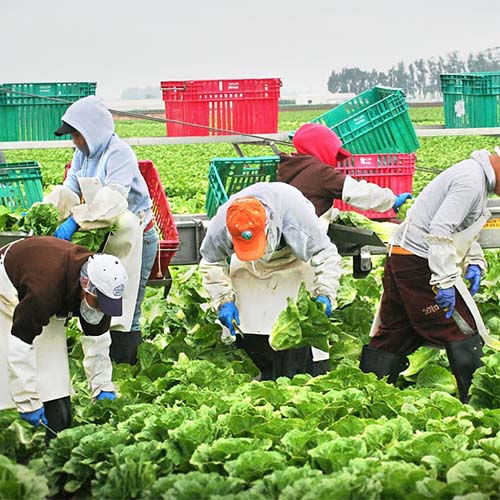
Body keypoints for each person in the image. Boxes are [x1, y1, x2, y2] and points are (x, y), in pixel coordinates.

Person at [360, 146, 500, 403]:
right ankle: (480, 401)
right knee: (462, 328)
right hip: (418, 262)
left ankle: (367, 397)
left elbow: (460, 228)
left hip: (402, 258)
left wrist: (475, 261)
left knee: (395, 332)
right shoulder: (471, 181)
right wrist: (444, 281)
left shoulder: (474, 177)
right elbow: (440, 229)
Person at [46, 95, 158, 365]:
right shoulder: (82, 154)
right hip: (107, 236)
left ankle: (125, 366)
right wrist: (50, 210)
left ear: (92, 131)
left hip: (136, 237)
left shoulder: (118, 153)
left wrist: (76, 222)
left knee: (124, 305)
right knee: (102, 299)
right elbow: (70, 188)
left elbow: (113, 199)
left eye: (77, 135)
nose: (74, 141)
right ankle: (103, 363)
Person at [200, 182, 342, 380]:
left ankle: (303, 370)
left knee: (297, 328)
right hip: (248, 267)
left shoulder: (297, 218)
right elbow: (210, 262)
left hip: (293, 259)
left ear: (269, 227)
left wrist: (325, 293)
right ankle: (260, 369)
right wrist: (223, 301)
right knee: (250, 321)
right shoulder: (222, 225)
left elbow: (326, 255)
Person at [0, 237, 128, 441]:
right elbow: (20, 344)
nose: (102, 309)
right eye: (99, 303)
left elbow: (99, 341)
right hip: (7, 284)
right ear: (86, 285)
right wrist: (27, 403)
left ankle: (55, 422)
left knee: (53, 370)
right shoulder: (45, 290)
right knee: (7, 363)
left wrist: (103, 386)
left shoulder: (99, 292)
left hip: (52, 286)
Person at [277, 123, 413, 217]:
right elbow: (359, 192)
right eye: (334, 154)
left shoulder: (290, 167)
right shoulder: (319, 173)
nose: (335, 160)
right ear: (321, 148)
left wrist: (333, 215)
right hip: (305, 247)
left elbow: (310, 202)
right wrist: (392, 200)